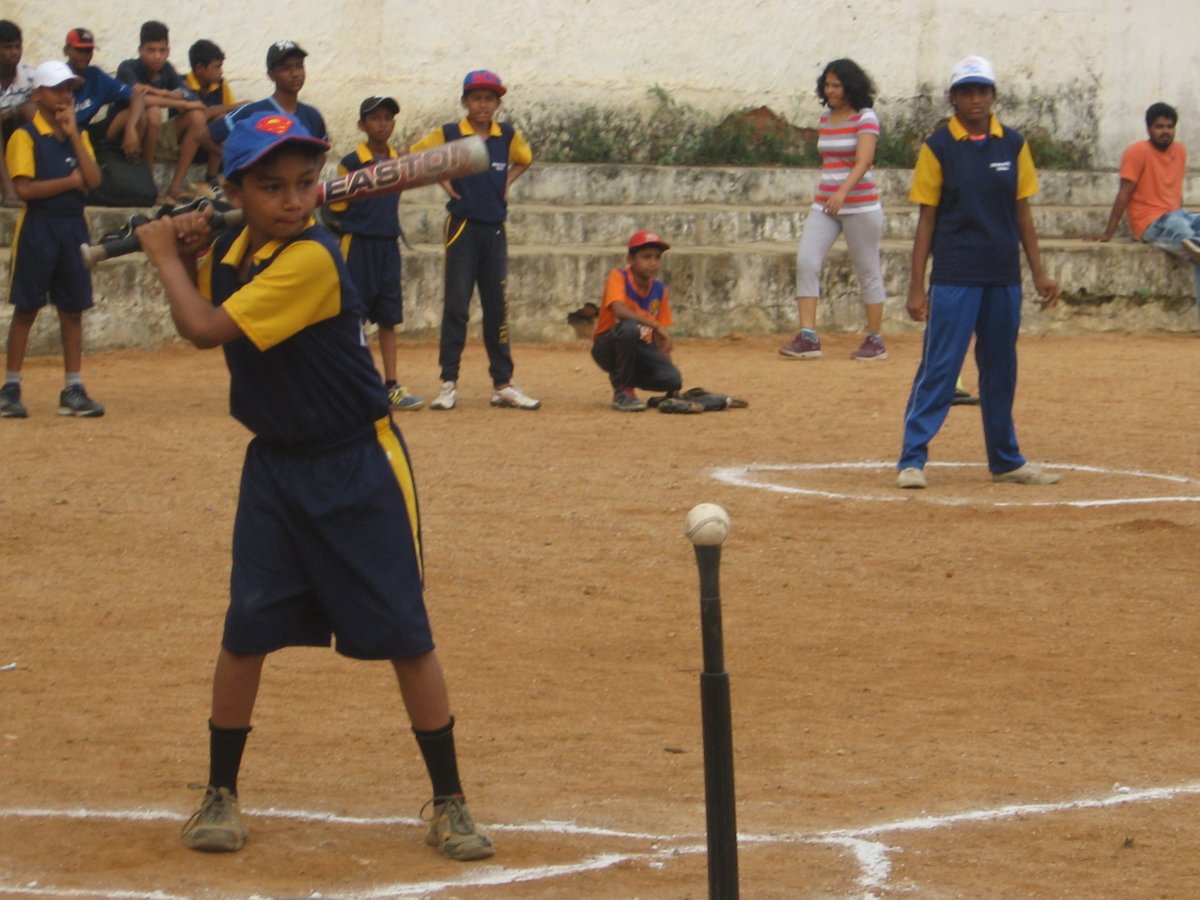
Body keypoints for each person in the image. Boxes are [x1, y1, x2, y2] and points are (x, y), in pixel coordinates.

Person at [133, 111, 494, 861]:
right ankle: (220, 793)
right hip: (276, 469)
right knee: (248, 629)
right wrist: (195, 247)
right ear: (234, 188)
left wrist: (165, 255)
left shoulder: (311, 259)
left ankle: (450, 802)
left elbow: (203, 327)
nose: (293, 200)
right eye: (270, 187)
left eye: (304, 183)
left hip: (357, 467)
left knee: (405, 632)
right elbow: (204, 296)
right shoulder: (238, 246)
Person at [896, 55, 1060, 490]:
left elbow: (1022, 212)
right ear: (953, 98)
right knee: (940, 367)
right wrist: (917, 287)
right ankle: (912, 459)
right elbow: (926, 220)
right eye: (966, 91)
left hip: (1003, 276)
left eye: (982, 91)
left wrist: (1038, 274)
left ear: (993, 96)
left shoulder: (1014, 144)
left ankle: (1005, 459)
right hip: (954, 276)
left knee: (1001, 368)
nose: (975, 99)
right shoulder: (938, 147)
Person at [411, 69, 538, 411]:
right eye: (476, 98)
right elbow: (416, 155)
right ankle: (448, 383)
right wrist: (442, 179)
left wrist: (507, 183)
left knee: (497, 308)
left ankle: (503, 384)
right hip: (463, 228)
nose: (483, 105)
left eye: (490, 99)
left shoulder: (506, 134)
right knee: (457, 306)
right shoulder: (451, 133)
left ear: (497, 103)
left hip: (495, 230)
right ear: (465, 101)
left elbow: (525, 159)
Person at [1, 61, 104, 419]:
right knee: (26, 307)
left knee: (72, 309)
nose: (65, 96)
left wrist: (74, 134)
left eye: (70, 90)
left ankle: (73, 387)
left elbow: (93, 180)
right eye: (58, 89)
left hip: (73, 225)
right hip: (39, 228)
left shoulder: (81, 135)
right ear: (38, 94)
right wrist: (70, 182)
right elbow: (25, 189)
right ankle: (10, 386)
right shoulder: (25, 136)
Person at [780, 58, 887, 362]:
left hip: (860, 205)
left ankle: (875, 339)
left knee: (867, 269)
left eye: (837, 85)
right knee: (806, 260)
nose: (830, 90)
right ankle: (808, 336)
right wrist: (832, 193)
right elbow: (830, 160)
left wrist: (843, 191)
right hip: (825, 203)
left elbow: (863, 160)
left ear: (850, 86)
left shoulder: (866, 118)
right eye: (827, 84)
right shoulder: (826, 118)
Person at [332, 95, 424, 410]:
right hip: (358, 245)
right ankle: (354, 386)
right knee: (352, 319)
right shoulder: (352, 162)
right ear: (361, 124)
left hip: (388, 246)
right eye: (374, 118)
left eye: (387, 118)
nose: (382, 124)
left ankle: (391, 385)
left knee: (388, 319)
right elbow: (337, 208)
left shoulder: (400, 160)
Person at [1089, 102, 1200, 310]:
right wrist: (1108, 233)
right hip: (1150, 223)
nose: (1165, 131)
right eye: (1159, 127)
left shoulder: (1180, 150)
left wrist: (1182, 213)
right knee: (1187, 236)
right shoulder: (1136, 152)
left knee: (1192, 238)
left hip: (1177, 215)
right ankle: (1193, 242)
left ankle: (1194, 243)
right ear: (1149, 128)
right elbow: (1124, 193)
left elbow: (1176, 189)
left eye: (1169, 126)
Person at [591, 230, 682, 411]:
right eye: (646, 257)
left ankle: (625, 377)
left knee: (673, 378)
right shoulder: (618, 277)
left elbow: (658, 339)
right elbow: (619, 310)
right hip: (607, 345)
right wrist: (655, 324)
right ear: (630, 260)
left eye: (657, 257)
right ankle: (623, 391)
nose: (653, 263)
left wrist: (671, 385)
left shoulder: (659, 289)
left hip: (637, 348)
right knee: (629, 328)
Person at [208, 40, 328, 151]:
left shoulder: (312, 116)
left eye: (299, 66)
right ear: (271, 75)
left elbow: (321, 152)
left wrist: (312, 172)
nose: (295, 73)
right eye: (286, 68)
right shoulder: (252, 112)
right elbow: (205, 134)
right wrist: (237, 164)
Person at [63, 27, 149, 161]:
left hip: (85, 132)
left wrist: (131, 129)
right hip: (61, 135)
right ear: (66, 51)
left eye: (88, 50)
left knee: (139, 115)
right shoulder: (57, 75)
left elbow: (137, 96)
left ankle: (128, 162)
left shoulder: (95, 75)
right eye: (79, 50)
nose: (85, 55)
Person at [183, 39, 245, 193]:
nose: (221, 71)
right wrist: (240, 105)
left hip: (211, 145)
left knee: (224, 122)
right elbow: (204, 112)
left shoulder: (220, 85)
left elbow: (231, 115)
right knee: (217, 119)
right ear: (200, 68)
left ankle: (212, 176)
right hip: (187, 142)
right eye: (217, 67)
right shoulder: (184, 84)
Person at [0, 20, 34, 206]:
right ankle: (8, 191)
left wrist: (14, 112)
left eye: (17, 46)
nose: (14, 52)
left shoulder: (30, 76)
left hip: (15, 135)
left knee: (31, 111)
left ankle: (33, 183)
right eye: (7, 47)